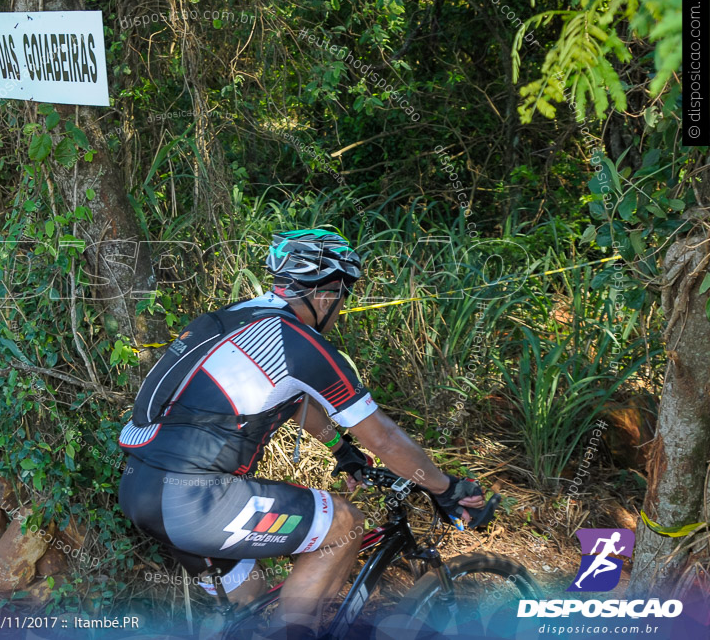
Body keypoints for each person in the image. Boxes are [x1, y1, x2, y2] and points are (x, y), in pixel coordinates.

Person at [118, 229, 492, 639]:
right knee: (345, 524)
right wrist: (444, 487)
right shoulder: (299, 342)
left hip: (140, 488)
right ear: (328, 292)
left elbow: (290, 400)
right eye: (343, 297)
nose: (341, 307)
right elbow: (383, 438)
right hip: (194, 499)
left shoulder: (231, 318)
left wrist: (340, 448)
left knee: (252, 601)